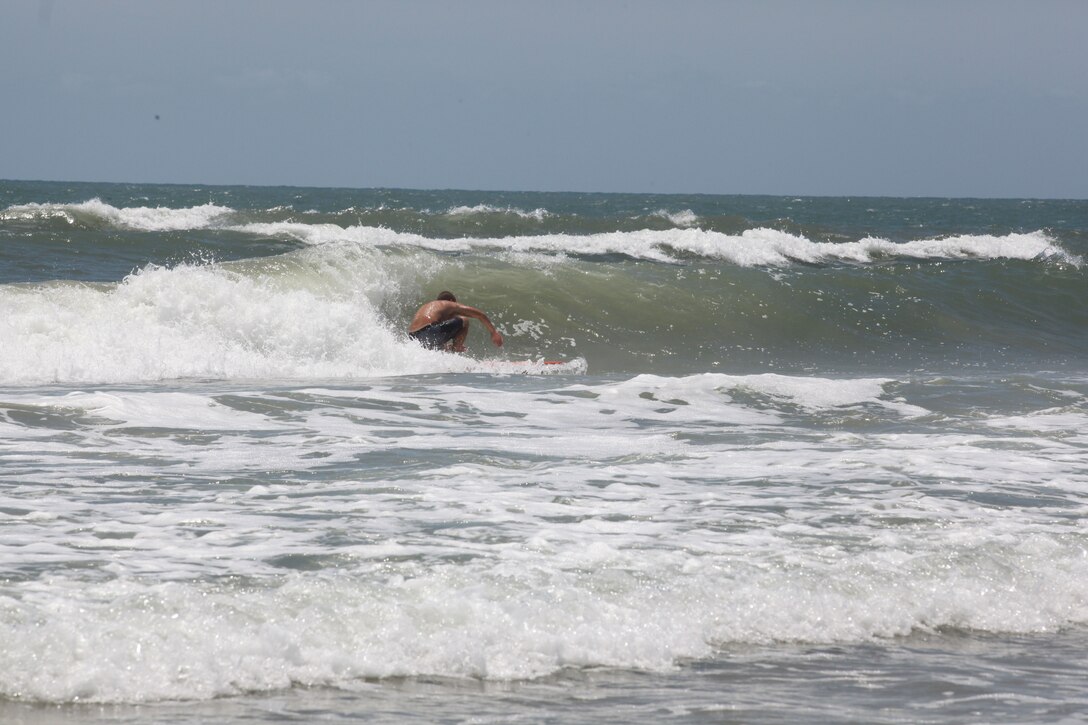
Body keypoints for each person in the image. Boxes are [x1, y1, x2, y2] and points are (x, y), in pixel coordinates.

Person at [408, 291, 503, 352]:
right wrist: (494, 333)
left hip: (413, 337)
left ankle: (451, 353)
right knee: (464, 319)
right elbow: (480, 315)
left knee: (441, 346)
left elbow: (426, 334)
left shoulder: (429, 306)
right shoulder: (450, 304)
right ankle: (457, 347)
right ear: (451, 300)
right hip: (429, 332)